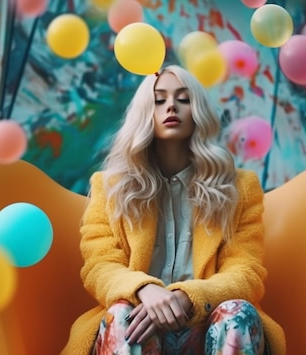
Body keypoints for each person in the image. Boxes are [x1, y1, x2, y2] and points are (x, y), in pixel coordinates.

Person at [62, 65, 285, 355]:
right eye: (159, 99)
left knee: (237, 312)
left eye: (183, 98)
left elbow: (246, 272)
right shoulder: (111, 187)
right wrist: (143, 289)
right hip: (137, 327)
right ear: (145, 111)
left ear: (198, 111)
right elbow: (99, 266)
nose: (171, 106)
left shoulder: (239, 187)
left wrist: (187, 297)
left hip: (208, 327)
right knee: (121, 314)